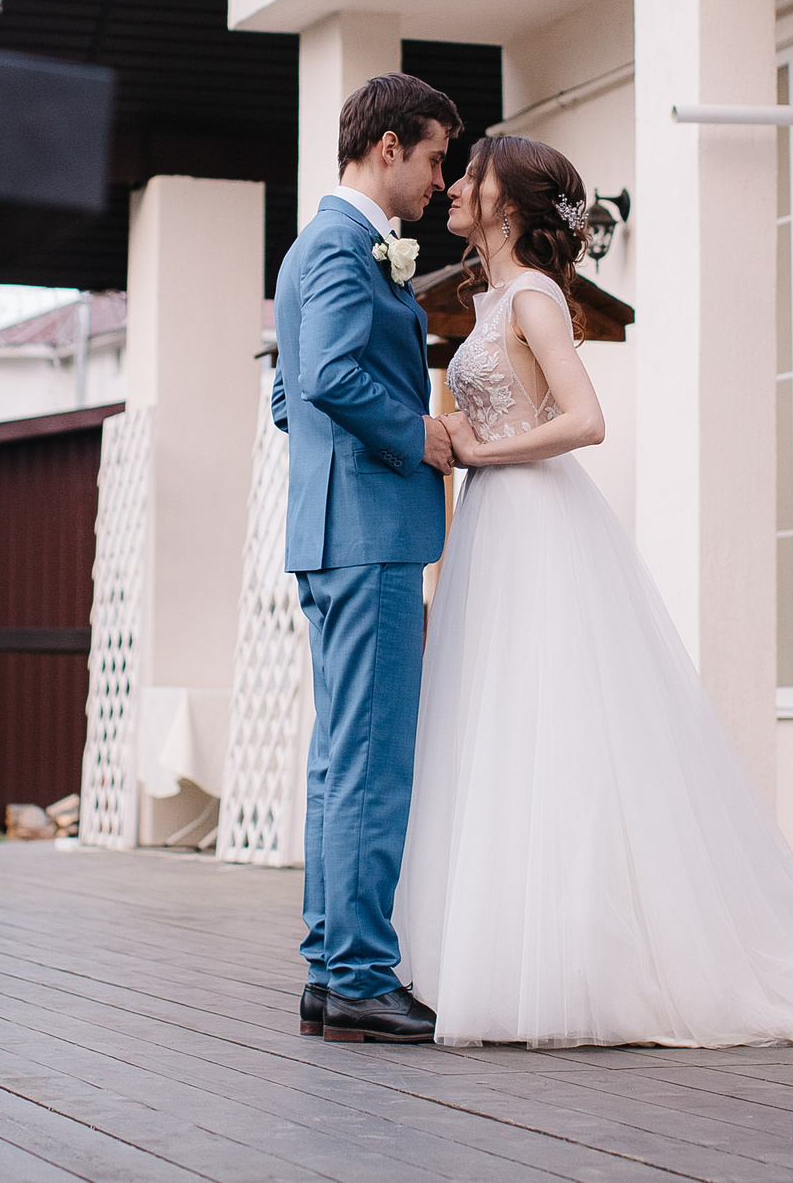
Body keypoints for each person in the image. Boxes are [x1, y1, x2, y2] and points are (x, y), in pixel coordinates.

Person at [395, 134, 793, 1049]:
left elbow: (586, 418)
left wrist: (481, 448)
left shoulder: (532, 297)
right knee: (494, 728)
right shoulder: (492, 300)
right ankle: (489, 952)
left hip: (535, 525)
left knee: (552, 732)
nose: (455, 186)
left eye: (472, 174)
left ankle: (571, 963)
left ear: (511, 206)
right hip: (493, 527)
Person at [271, 72, 462, 1045]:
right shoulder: (347, 246)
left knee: (340, 760)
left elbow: (289, 395)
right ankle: (357, 975)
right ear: (387, 147)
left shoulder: (314, 251)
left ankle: (327, 968)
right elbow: (337, 375)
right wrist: (419, 435)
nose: (439, 180)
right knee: (372, 764)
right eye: (433, 158)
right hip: (369, 534)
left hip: (330, 531)